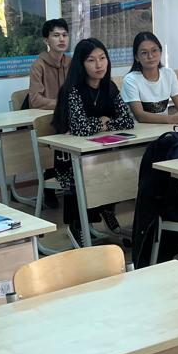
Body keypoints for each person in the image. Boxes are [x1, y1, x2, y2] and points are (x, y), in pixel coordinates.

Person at [52, 37, 135, 247]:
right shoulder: (72, 90)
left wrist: (100, 124)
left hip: (103, 152)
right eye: (91, 60)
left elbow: (127, 120)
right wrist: (105, 122)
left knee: (125, 167)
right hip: (70, 160)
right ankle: (77, 225)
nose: (99, 65)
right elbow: (79, 128)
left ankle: (106, 208)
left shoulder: (109, 86)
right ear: (81, 64)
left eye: (102, 58)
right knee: (91, 172)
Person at [121, 31, 178, 125]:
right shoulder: (130, 80)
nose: (150, 56)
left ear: (160, 52)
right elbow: (140, 116)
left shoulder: (169, 74)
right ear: (137, 57)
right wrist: (170, 119)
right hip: (141, 131)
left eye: (154, 50)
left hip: (163, 128)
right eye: (144, 53)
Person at [27, 18, 70, 110]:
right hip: (46, 115)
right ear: (46, 41)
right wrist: (63, 104)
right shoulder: (38, 65)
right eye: (56, 35)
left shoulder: (72, 63)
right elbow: (35, 100)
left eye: (64, 35)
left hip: (69, 114)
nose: (62, 39)